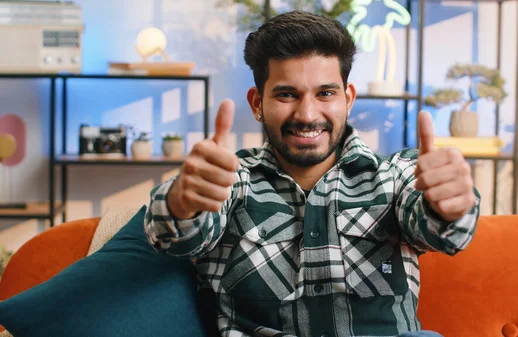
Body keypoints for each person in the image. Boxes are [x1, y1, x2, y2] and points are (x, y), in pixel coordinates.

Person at [144, 10, 480, 337]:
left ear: (347, 99)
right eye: (287, 94)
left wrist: (451, 205)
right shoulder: (231, 180)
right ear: (257, 103)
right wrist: (180, 201)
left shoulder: (396, 175)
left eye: (325, 93)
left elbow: (440, 230)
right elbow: (175, 235)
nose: (307, 115)